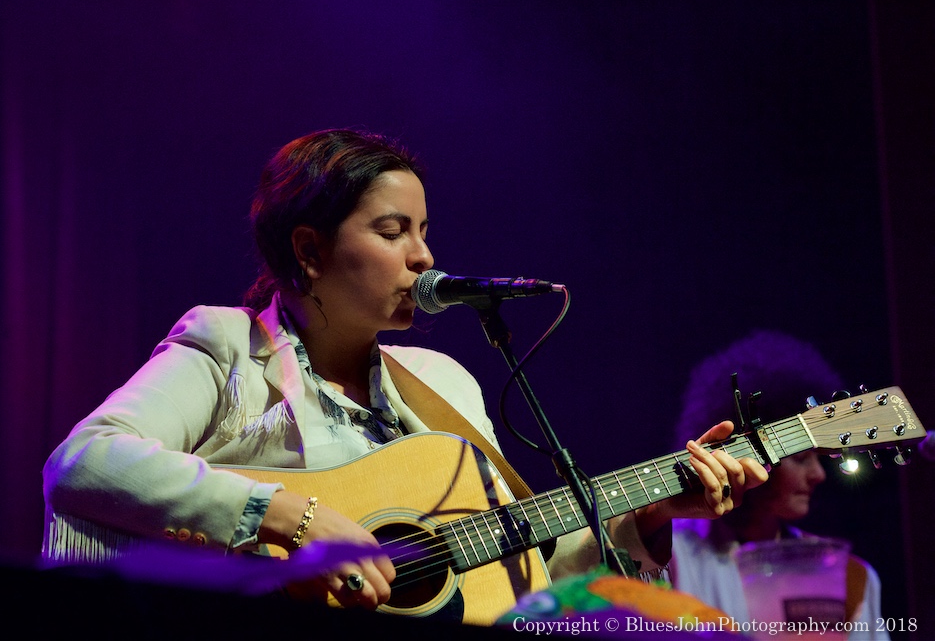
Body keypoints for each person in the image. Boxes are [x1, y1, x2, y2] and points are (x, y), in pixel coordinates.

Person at [42, 128, 767, 623]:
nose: (422, 257)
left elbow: (519, 556)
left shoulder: (444, 384)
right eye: (392, 232)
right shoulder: (227, 347)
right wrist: (289, 516)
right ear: (309, 249)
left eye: (423, 232)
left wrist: (648, 517)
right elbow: (86, 461)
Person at [669, 330, 887, 639]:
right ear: (744, 455)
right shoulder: (673, 554)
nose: (819, 475)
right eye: (801, 459)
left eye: (819, 458)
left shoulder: (850, 575)